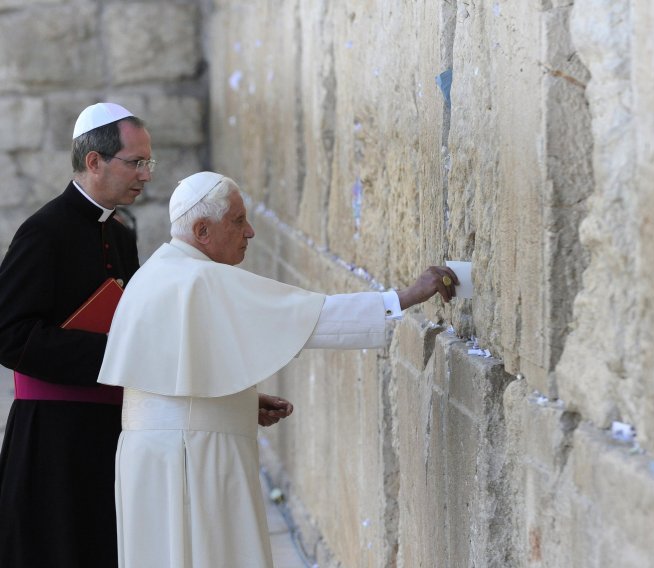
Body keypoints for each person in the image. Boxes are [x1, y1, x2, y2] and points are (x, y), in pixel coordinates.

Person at [98, 171, 459, 568]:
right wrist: (404, 297)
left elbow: (174, 382)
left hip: (152, 456)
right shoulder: (201, 278)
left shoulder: (158, 271)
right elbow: (310, 318)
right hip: (193, 458)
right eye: (237, 221)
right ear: (202, 229)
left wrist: (240, 401)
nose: (249, 232)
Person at [0, 102, 150, 567]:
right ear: (94, 161)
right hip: (52, 436)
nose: (145, 174)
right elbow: (9, 334)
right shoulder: (43, 232)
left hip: (108, 430)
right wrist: (110, 353)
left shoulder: (122, 236)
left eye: (149, 162)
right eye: (136, 162)